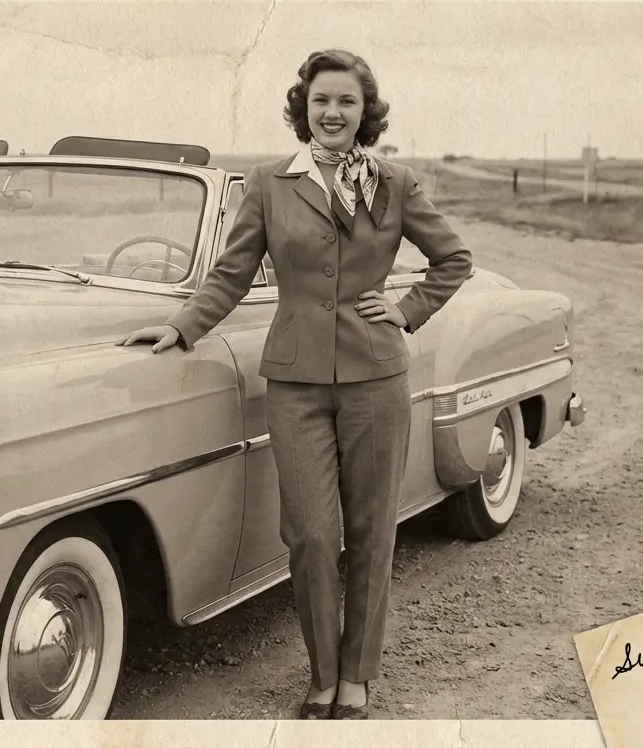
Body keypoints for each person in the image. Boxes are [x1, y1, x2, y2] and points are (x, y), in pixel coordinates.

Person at [119, 48, 473, 719]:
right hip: (295, 385)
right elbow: (231, 270)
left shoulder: (394, 183)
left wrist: (404, 311)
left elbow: (454, 259)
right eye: (320, 102)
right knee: (310, 533)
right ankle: (321, 673)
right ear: (301, 110)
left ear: (365, 110)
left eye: (345, 101)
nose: (332, 113)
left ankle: (357, 678)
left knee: (371, 532)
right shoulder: (270, 183)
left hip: (376, 380)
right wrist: (183, 328)